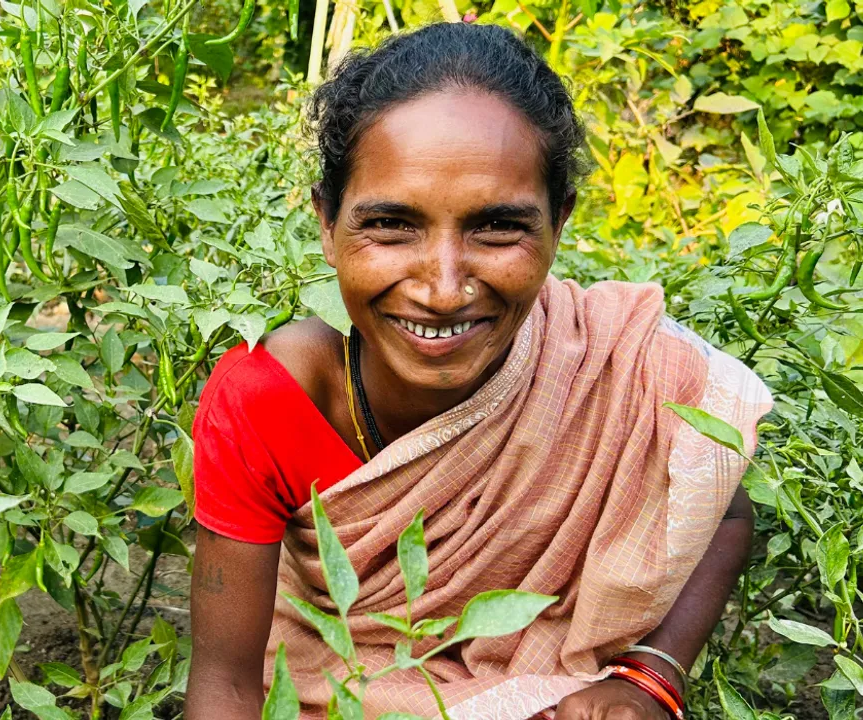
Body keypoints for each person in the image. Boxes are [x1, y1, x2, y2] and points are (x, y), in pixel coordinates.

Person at [185, 22, 771, 720]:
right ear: (326, 223)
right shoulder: (270, 402)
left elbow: (728, 507)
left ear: (560, 222)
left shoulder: (616, 364)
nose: (443, 287)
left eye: (496, 228)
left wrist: (650, 678)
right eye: (391, 226)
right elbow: (224, 686)